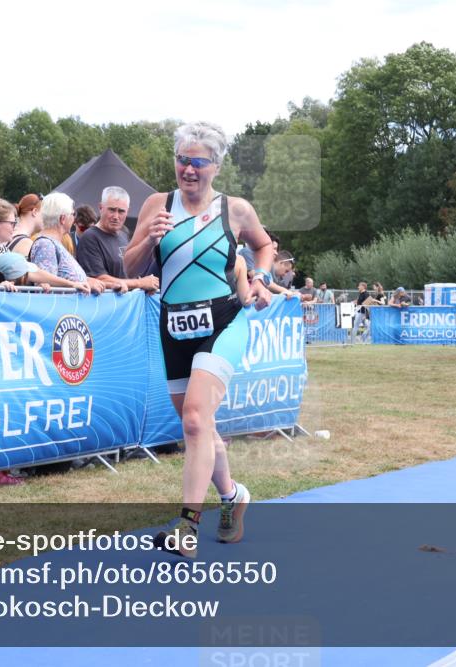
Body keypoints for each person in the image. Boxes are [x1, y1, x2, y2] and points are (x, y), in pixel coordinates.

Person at [123, 121, 273, 558]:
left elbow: (264, 247)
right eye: (181, 160)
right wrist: (148, 239)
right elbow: (129, 266)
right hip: (173, 324)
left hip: (225, 320)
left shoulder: (236, 209)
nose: (187, 169)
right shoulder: (156, 204)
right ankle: (232, 496)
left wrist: (260, 278)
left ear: (216, 166)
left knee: (193, 420)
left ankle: (186, 527)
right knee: (200, 427)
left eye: (198, 162)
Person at [76, 186, 158, 293]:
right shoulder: (90, 237)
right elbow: (99, 279)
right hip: (106, 306)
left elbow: (128, 273)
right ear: (101, 208)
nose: (116, 216)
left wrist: (143, 286)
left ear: (127, 212)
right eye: (112, 210)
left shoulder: (124, 235)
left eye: (121, 211)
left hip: (128, 305)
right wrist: (140, 283)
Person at [28, 192, 104, 292]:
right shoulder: (46, 245)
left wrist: (88, 280)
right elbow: (46, 288)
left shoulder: (53, 243)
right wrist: (77, 284)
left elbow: (64, 277)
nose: (74, 218)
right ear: (62, 219)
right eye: (73, 214)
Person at [7, 193, 43, 258]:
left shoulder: (9, 235)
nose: (45, 218)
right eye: (43, 213)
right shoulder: (25, 243)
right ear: (34, 212)